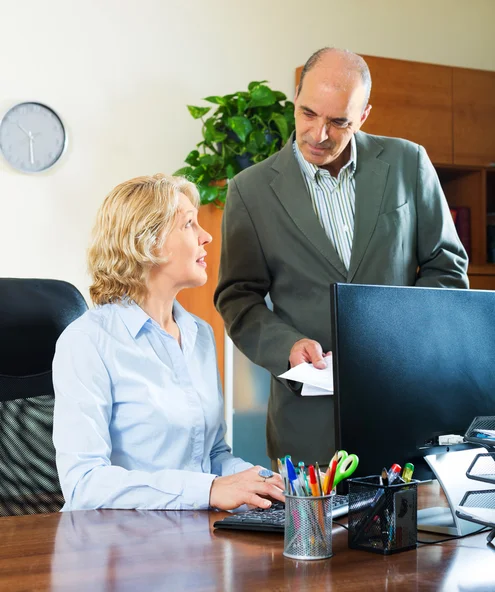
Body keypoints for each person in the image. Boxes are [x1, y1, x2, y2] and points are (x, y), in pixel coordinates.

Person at [214, 47, 469, 469]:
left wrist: (399, 337)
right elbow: (238, 298)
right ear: (295, 99)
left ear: (364, 116)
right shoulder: (250, 190)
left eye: (338, 121)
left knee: (416, 533)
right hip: (308, 423)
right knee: (316, 538)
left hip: (404, 406)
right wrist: (287, 346)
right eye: (308, 113)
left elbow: (446, 266)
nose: (318, 134)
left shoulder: (409, 163)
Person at [52, 174, 284, 511]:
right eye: (189, 224)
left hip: (196, 539)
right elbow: (84, 484)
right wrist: (207, 490)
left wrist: (265, 482)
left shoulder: (199, 334)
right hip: (120, 547)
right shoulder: (87, 341)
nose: (206, 237)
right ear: (147, 242)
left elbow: (213, 455)